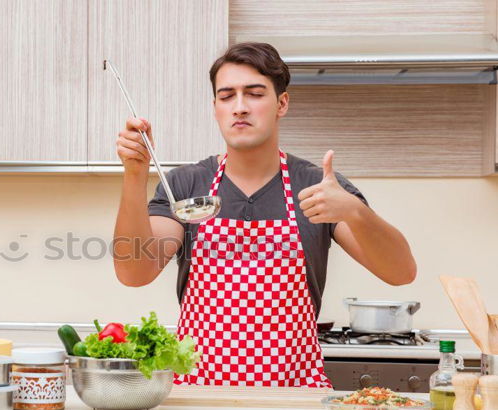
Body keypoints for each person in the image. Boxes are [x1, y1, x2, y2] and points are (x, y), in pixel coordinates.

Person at [112, 42, 416, 387]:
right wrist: (135, 174)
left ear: (281, 103)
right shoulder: (185, 184)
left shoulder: (318, 185)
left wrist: (355, 211)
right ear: (215, 108)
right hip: (199, 396)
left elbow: (401, 272)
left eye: (254, 94)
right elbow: (134, 272)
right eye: (227, 96)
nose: (239, 107)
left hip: (294, 395)